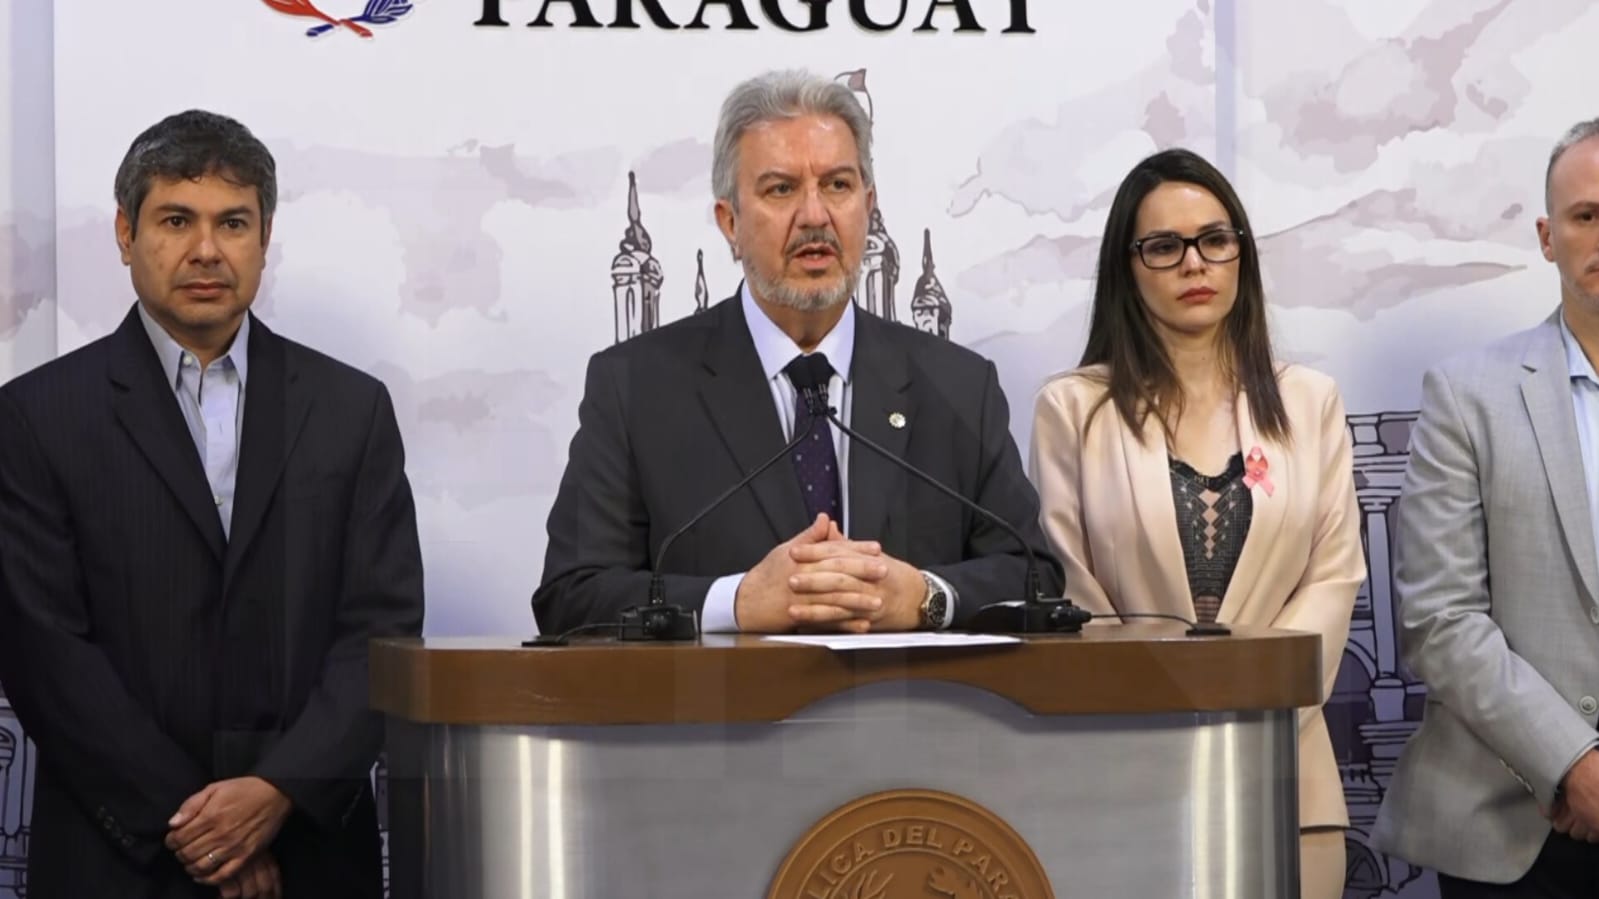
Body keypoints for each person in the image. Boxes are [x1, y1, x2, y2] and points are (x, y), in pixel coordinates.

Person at [0, 109, 424, 898]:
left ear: (265, 239)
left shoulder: (350, 409)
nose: (205, 249)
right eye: (175, 220)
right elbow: (44, 650)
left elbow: (382, 629)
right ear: (125, 235)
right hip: (119, 858)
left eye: (233, 222)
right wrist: (198, 826)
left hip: (311, 854)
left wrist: (277, 795)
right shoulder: (35, 417)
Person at [534, 69, 1060, 636]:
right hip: (718, 721)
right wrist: (733, 603)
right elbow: (572, 594)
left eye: (837, 185)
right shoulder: (635, 387)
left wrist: (927, 597)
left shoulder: (958, 386)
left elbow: (1035, 579)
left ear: (868, 204)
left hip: (915, 718)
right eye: (781, 189)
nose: (815, 216)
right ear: (729, 223)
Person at [1028, 148, 1366, 899]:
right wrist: (1173, 714)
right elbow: (1073, 594)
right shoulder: (1072, 409)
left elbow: (1333, 577)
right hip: (1129, 777)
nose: (1193, 263)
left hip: (1287, 774)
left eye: (1214, 239)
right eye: (1163, 246)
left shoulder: (1307, 401)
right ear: (1128, 266)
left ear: (1239, 252)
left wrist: (1256, 705)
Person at [1370, 118, 1599, 897]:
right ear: (1546, 236)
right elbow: (1439, 617)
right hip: (1514, 828)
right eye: (1585, 215)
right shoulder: (1467, 394)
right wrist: (1571, 759)